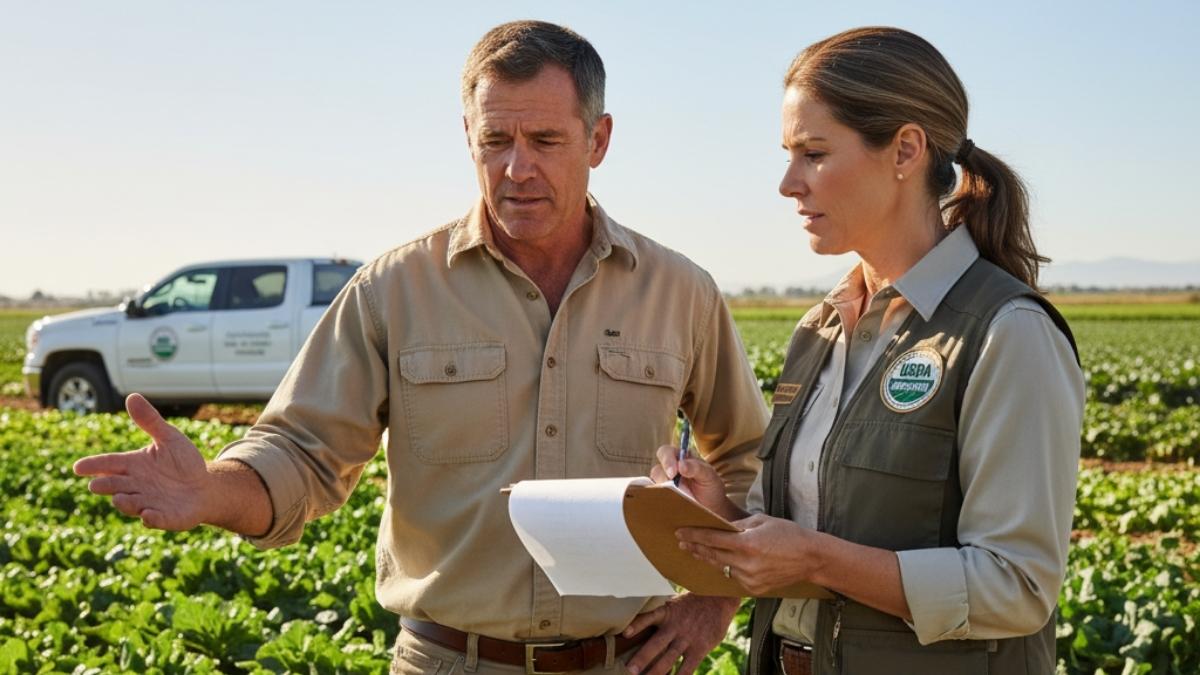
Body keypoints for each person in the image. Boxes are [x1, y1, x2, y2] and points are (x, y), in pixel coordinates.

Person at [73, 20, 770, 675]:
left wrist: (718, 598)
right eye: (495, 140)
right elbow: (303, 452)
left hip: (629, 659)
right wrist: (212, 490)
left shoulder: (680, 291)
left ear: (599, 140)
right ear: (468, 135)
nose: (516, 167)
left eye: (546, 141)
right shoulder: (394, 288)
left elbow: (747, 459)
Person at [648, 27, 1084, 675]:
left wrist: (818, 559)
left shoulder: (1007, 331)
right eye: (788, 154)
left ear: (905, 149)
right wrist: (724, 513)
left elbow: (1016, 585)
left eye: (813, 153)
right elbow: (803, 529)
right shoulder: (817, 330)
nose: (788, 183)